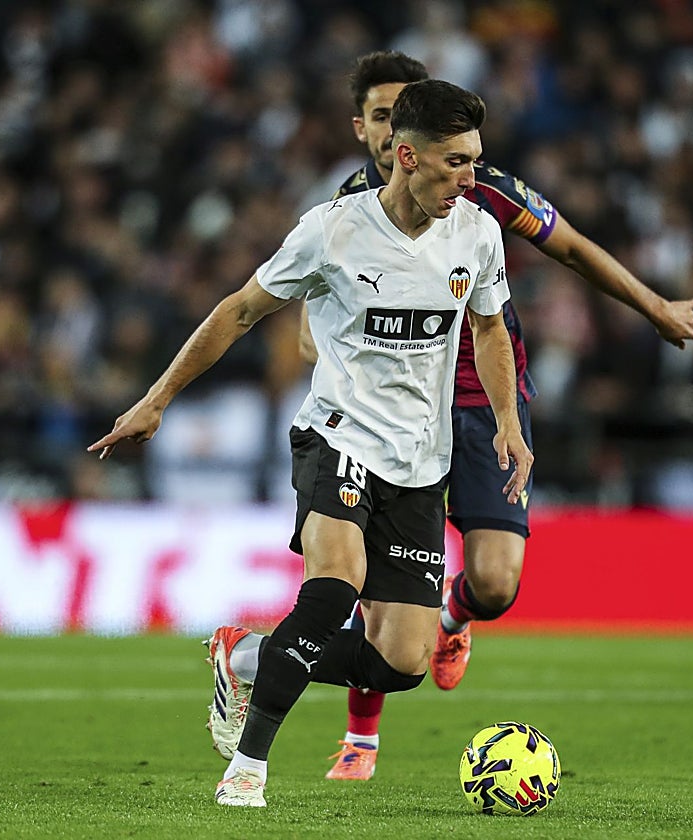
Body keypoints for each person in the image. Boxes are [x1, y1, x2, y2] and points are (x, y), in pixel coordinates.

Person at [90, 78, 532, 807]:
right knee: (332, 587)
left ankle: (247, 654)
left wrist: (509, 424)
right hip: (338, 435)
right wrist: (156, 399)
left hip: (422, 464)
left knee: (402, 662)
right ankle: (248, 769)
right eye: (456, 162)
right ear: (406, 155)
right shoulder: (333, 231)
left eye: (476, 160)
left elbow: (488, 328)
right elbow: (238, 312)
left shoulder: (477, 234)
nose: (470, 179)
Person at [298, 52, 693, 782]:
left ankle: (453, 622)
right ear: (369, 130)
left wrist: (656, 308)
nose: (396, 125)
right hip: (386, 415)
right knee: (371, 589)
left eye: (406, 110)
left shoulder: (481, 194)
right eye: (384, 114)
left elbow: (572, 247)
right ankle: (361, 738)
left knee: (496, 582)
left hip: (482, 404)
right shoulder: (346, 212)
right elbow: (308, 306)